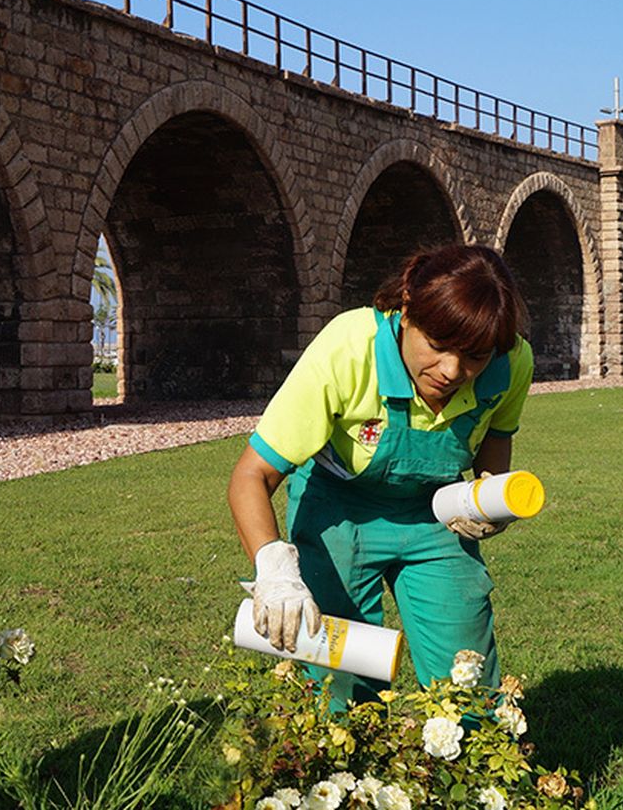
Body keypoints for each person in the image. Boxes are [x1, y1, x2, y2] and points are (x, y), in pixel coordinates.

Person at [227, 243, 534, 710]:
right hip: (340, 512)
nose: (452, 371)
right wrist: (275, 572)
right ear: (407, 310)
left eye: (474, 356)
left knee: (467, 675)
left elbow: (495, 439)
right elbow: (253, 473)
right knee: (342, 676)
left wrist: (489, 499)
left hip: (436, 515)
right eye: (437, 346)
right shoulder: (349, 348)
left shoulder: (510, 362)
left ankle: (470, 772)